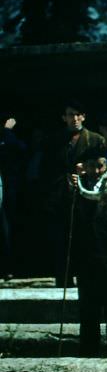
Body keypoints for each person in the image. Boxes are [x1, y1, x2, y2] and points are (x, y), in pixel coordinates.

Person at [40, 100, 105, 287]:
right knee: (61, 238)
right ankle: (63, 278)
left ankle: (88, 277)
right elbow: (47, 169)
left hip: (87, 197)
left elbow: (103, 166)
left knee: (87, 237)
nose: (74, 118)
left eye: (78, 114)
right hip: (61, 196)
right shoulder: (54, 140)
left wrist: (86, 171)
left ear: (83, 116)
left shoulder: (95, 139)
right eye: (70, 114)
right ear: (64, 118)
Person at [70, 151, 107, 357]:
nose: (95, 171)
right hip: (87, 260)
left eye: (100, 166)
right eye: (91, 166)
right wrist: (72, 189)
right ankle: (88, 353)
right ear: (84, 166)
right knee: (88, 311)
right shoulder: (74, 187)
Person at [0, 115, 26, 279]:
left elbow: (20, 148)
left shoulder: (8, 140)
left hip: (6, 189)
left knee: (6, 229)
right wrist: (6, 131)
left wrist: (6, 134)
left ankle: (7, 267)